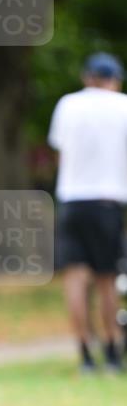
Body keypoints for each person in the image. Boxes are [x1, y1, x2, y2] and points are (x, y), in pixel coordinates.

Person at [48, 52, 127, 373]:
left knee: (75, 279)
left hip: (72, 200)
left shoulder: (68, 104)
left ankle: (84, 355)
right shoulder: (123, 106)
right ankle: (110, 351)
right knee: (107, 278)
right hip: (108, 202)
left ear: (87, 77)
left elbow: (59, 153)